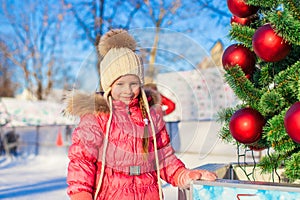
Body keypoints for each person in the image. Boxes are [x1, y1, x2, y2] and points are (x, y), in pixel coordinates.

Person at [65, 29, 217, 200]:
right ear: (108, 84)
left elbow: (163, 157)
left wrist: (182, 175)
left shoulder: (151, 116)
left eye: (134, 83)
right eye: (120, 83)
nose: (127, 90)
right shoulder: (97, 116)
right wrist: (81, 194)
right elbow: (82, 160)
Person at [143, 83, 180, 151]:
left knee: (162, 136)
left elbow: (171, 105)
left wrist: (163, 113)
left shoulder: (155, 96)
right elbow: (171, 105)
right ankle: (172, 149)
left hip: (158, 120)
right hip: (162, 119)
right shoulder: (158, 96)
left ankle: (169, 149)